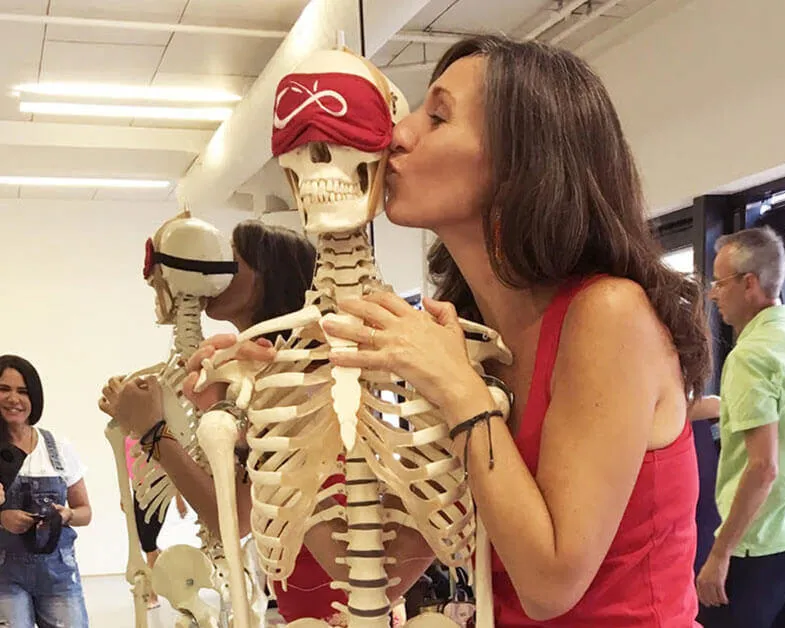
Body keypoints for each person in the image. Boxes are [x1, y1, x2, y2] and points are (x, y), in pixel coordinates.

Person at [190, 35, 712, 625]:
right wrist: (273, 408)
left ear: (523, 163)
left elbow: (550, 584)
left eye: (437, 116)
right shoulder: (466, 334)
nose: (399, 135)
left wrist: (455, 385)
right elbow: (370, 572)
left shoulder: (608, 314)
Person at [100, 220, 346, 623]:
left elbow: (230, 515)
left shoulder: (306, 378)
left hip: (335, 592)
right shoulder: (249, 372)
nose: (214, 265)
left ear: (270, 275)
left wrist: (152, 432)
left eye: (232, 257)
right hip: (294, 590)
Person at [697, 227, 785, 627]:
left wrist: (719, 554)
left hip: (760, 544)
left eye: (719, 283)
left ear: (748, 283)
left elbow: (762, 467)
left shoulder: (749, 357)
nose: (713, 294)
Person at [0, 354, 93, 627]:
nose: (13, 399)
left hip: (59, 574)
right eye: (4, 389)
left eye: (23, 391)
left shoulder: (58, 447)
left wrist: (66, 515)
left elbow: (85, 512)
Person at [123, 434, 188, 609]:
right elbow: (125, 465)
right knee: (147, 544)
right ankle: (172, 578)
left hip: (156, 488)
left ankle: (153, 594)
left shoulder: (151, 430)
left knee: (149, 544)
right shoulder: (124, 433)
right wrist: (125, 496)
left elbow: (170, 467)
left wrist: (178, 498)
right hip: (137, 489)